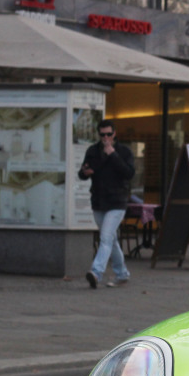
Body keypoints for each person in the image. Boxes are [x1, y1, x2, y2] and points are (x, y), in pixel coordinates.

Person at [78, 119, 135, 288]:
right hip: (99, 201)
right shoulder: (93, 151)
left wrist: (113, 154)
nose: (106, 138)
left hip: (117, 201)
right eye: (102, 135)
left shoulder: (123, 151)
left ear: (114, 134)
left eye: (109, 134)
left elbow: (129, 173)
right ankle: (122, 273)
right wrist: (84, 172)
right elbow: (82, 173)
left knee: (105, 238)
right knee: (111, 239)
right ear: (99, 135)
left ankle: (96, 272)